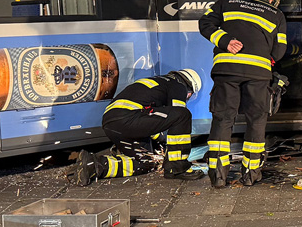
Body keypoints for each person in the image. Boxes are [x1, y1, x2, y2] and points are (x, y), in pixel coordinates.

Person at [198, 0, 287, 188]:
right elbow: (280, 49)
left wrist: (224, 40)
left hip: (226, 69)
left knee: (223, 119)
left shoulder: (226, 3)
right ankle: (250, 174)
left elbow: (205, 23)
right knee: (256, 120)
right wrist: (266, 59)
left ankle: (218, 176)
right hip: (258, 74)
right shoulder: (276, 14)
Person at [69, 69, 202, 185]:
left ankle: (94, 165)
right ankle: (177, 168)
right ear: (189, 89)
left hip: (112, 122)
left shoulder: (159, 83)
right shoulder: (178, 85)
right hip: (129, 117)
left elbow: (153, 123)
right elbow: (178, 114)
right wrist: (173, 151)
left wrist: (159, 140)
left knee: (146, 162)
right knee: (182, 115)